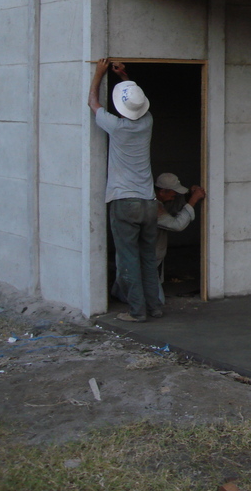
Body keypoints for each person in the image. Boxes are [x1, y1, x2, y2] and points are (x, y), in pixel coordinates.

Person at [88, 59, 161, 324]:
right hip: (149, 202)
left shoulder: (117, 127)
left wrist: (98, 74)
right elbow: (137, 102)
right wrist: (124, 77)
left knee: (128, 258)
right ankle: (154, 307)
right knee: (147, 257)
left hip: (124, 201)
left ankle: (137, 312)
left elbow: (92, 103)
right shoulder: (148, 122)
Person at [153, 173, 206, 301]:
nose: (175, 195)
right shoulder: (153, 207)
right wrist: (192, 201)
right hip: (148, 259)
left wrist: (189, 196)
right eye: (173, 192)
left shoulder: (159, 202)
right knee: (156, 299)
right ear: (162, 191)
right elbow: (176, 224)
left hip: (154, 257)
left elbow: (172, 209)